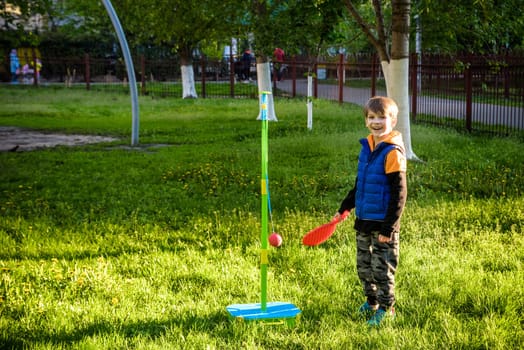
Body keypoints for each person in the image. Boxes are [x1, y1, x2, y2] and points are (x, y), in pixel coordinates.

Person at [335, 96, 407, 327]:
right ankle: (372, 302)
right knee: (364, 266)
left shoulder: (392, 152)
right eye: (371, 117)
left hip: (383, 224)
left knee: (381, 268)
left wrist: (389, 227)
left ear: (393, 120)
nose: (376, 122)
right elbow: (361, 184)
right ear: (366, 120)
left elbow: (399, 194)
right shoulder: (367, 147)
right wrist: (345, 208)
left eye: (382, 117)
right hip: (363, 220)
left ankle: (387, 308)